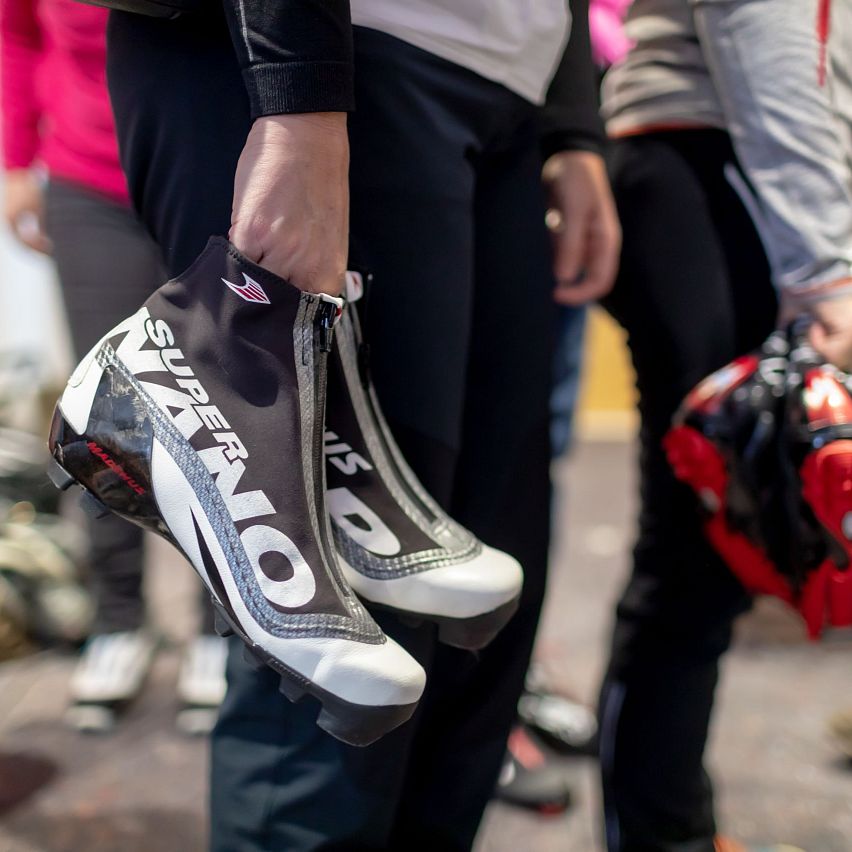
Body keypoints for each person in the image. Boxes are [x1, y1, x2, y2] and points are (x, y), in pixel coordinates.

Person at [100, 0, 621, 847]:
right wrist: (297, 95)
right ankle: (149, 386)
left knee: (478, 612)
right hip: (334, 54)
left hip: (508, 88)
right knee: (338, 656)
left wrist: (569, 123)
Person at [598, 0, 852, 849]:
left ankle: (667, 823)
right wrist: (823, 267)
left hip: (738, 170)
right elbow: (764, 19)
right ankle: (662, 832)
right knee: (699, 545)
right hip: (716, 163)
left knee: (715, 544)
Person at [0, 0, 226, 733]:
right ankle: (118, 621)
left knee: (216, 413)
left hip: (214, 166)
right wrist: (12, 163)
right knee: (104, 415)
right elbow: (15, 32)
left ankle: (221, 631)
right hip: (89, 182)